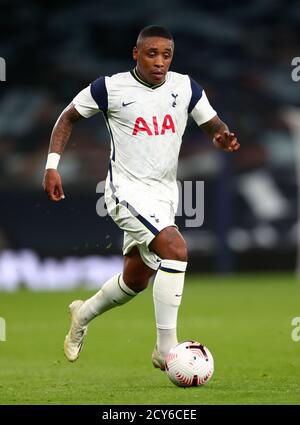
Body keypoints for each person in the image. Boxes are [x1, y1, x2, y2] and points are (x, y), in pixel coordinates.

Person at [43, 25, 240, 370]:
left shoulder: (185, 87)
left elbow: (211, 123)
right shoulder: (110, 87)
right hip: (124, 192)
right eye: (152, 54)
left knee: (135, 279)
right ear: (136, 54)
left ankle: (82, 314)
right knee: (176, 249)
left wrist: (221, 134)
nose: (160, 62)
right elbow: (67, 118)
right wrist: (52, 166)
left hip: (164, 195)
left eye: (166, 55)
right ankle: (166, 349)